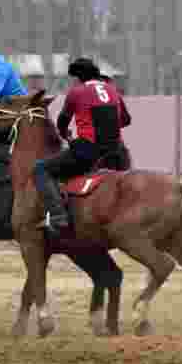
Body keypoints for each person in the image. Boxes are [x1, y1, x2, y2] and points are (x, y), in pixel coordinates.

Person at [32, 57, 131, 237]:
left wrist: (66, 135)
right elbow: (125, 120)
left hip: (89, 152)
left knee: (41, 169)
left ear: (78, 77)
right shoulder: (112, 90)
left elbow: (62, 122)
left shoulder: (77, 92)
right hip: (118, 153)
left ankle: (58, 216)